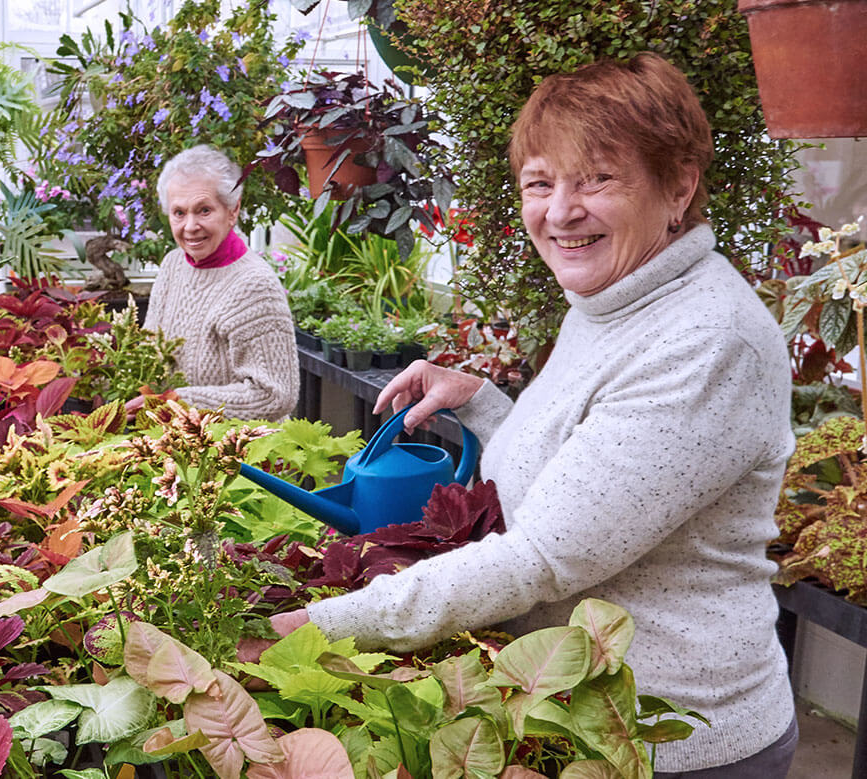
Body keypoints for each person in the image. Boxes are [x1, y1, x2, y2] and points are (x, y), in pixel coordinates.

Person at [271, 54, 796, 777]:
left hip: (671, 739)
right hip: (575, 711)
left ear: (678, 187)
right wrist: (481, 401)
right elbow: (579, 470)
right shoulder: (615, 297)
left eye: (597, 180)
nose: (559, 212)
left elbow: (545, 554)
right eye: (540, 184)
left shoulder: (707, 340)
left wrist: (313, 627)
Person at [144, 145, 297, 420]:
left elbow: (275, 394)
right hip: (176, 437)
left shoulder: (255, 287)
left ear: (233, 210)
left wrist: (181, 401)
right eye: (179, 213)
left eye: (204, 210)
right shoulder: (172, 265)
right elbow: (147, 350)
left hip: (242, 450)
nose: (190, 226)